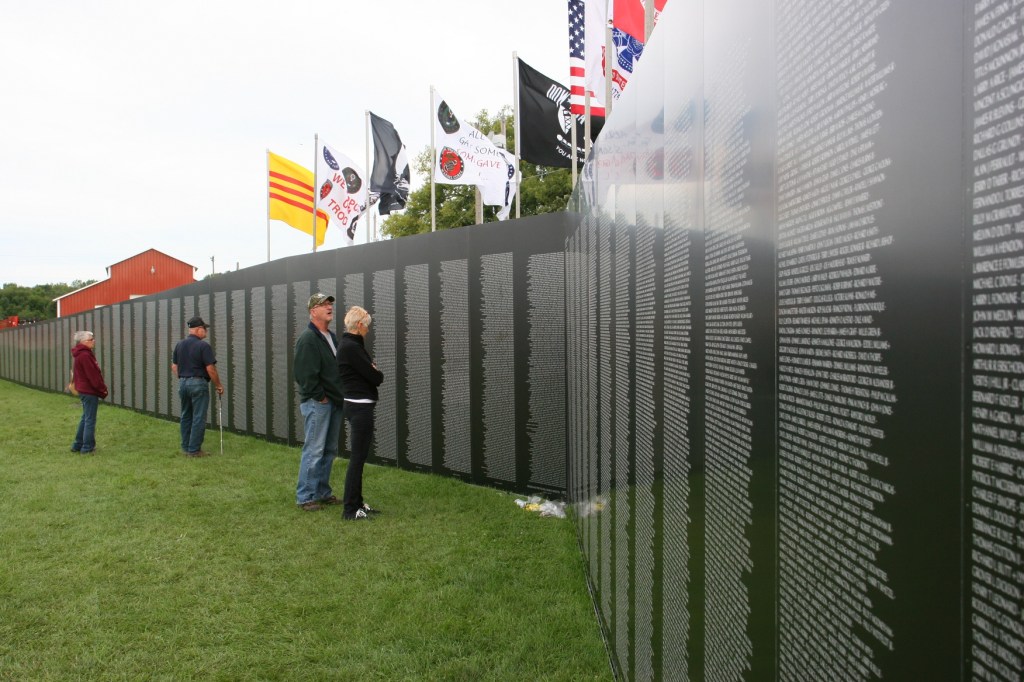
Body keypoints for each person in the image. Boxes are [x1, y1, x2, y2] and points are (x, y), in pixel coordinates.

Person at [293, 293, 345, 511]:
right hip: (319, 402)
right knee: (314, 449)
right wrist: (320, 396)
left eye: (330, 303)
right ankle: (305, 496)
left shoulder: (330, 337)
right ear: (312, 311)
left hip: (333, 402)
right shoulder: (308, 339)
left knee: (329, 449)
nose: (329, 307)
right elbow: (304, 374)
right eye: (323, 304)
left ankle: (322, 492)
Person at [337, 305, 384, 521]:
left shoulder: (353, 344)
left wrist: (373, 369)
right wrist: (373, 370)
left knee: (359, 457)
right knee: (357, 458)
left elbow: (372, 371)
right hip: (359, 407)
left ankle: (357, 502)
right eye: (366, 326)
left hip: (358, 405)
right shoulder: (351, 347)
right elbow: (376, 377)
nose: (368, 330)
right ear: (358, 325)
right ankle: (350, 509)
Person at [171, 316, 224, 457]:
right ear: (198, 329)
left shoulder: (179, 344)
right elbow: (210, 368)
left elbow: (174, 366)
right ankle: (194, 450)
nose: (206, 331)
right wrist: (218, 385)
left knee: (186, 415)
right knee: (198, 417)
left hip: (183, 382)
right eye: (204, 329)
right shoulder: (203, 346)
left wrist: (183, 378)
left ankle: (186, 447)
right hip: (198, 383)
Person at [70, 330, 108, 454]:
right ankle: (87, 448)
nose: (93, 341)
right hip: (89, 391)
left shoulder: (81, 354)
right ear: (83, 342)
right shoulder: (85, 355)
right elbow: (93, 376)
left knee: (85, 417)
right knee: (90, 420)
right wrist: (102, 389)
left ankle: (77, 445)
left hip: (83, 390)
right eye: (91, 339)